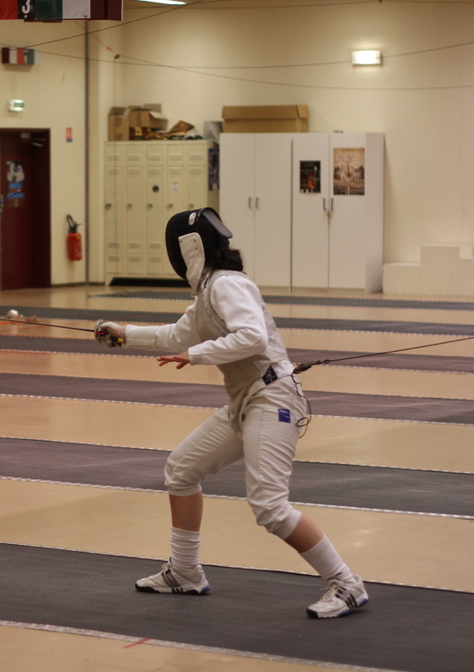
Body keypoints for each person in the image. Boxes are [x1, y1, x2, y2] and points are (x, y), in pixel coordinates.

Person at [95, 208, 368, 619]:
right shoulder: (208, 292)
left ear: (188, 249)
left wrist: (196, 355)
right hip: (247, 401)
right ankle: (185, 572)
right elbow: (175, 335)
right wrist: (123, 335)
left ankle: (347, 585)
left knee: (270, 506)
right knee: (181, 470)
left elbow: (252, 337)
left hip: (273, 399)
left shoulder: (227, 284)